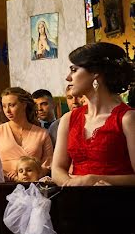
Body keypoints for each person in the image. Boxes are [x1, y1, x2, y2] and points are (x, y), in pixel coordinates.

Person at [52, 42, 135, 186]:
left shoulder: (127, 118)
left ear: (95, 72)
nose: (68, 77)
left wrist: (94, 180)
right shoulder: (68, 118)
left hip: (118, 203)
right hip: (75, 203)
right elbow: (57, 169)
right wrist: (73, 186)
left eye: (74, 70)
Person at [0, 87, 53, 178]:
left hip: (33, 184)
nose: (7, 111)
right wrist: (8, 176)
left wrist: (33, 177)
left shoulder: (42, 133)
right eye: (4, 106)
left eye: (12, 105)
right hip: (3, 183)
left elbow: (47, 163)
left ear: (24, 105)